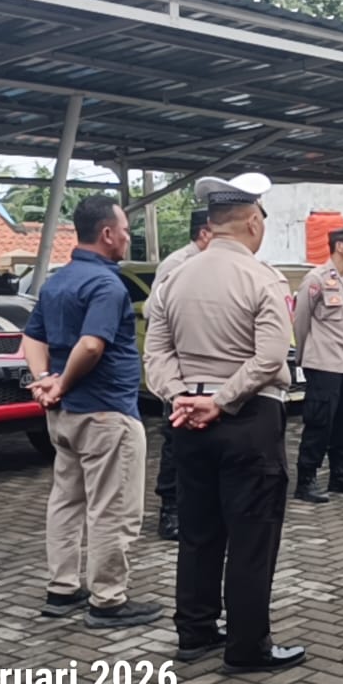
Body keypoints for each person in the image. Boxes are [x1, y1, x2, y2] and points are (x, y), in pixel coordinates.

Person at [143, 173, 306, 672]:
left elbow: (156, 354)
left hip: (187, 419)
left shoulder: (174, 278)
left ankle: (194, 631)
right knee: (252, 537)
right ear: (253, 221)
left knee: (198, 531)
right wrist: (223, 400)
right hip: (249, 418)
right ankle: (247, 646)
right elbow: (270, 357)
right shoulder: (262, 278)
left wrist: (181, 397)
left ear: (211, 223)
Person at [22, 195, 162, 629]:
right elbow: (91, 345)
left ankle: (62, 589)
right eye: (125, 231)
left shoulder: (58, 281)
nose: (128, 238)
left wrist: (45, 379)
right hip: (106, 414)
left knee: (66, 501)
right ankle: (108, 600)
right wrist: (61, 382)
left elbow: (32, 337)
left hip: (65, 417)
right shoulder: (106, 286)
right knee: (112, 508)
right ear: (106, 233)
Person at [148, 204, 214, 541]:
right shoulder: (177, 264)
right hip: (180, 372)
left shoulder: (215, 265)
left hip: (209, 372)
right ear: (204, 233)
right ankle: (170, 512)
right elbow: (152, 310)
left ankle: (197, 508)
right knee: (176, 444)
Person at [292, 224, 343, 503]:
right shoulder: (316, 278)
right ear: (339, 246)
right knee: (319, 423)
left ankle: (339, 474)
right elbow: (301, 320)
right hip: (323, 363)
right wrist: (304, 356)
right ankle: (306, 480)